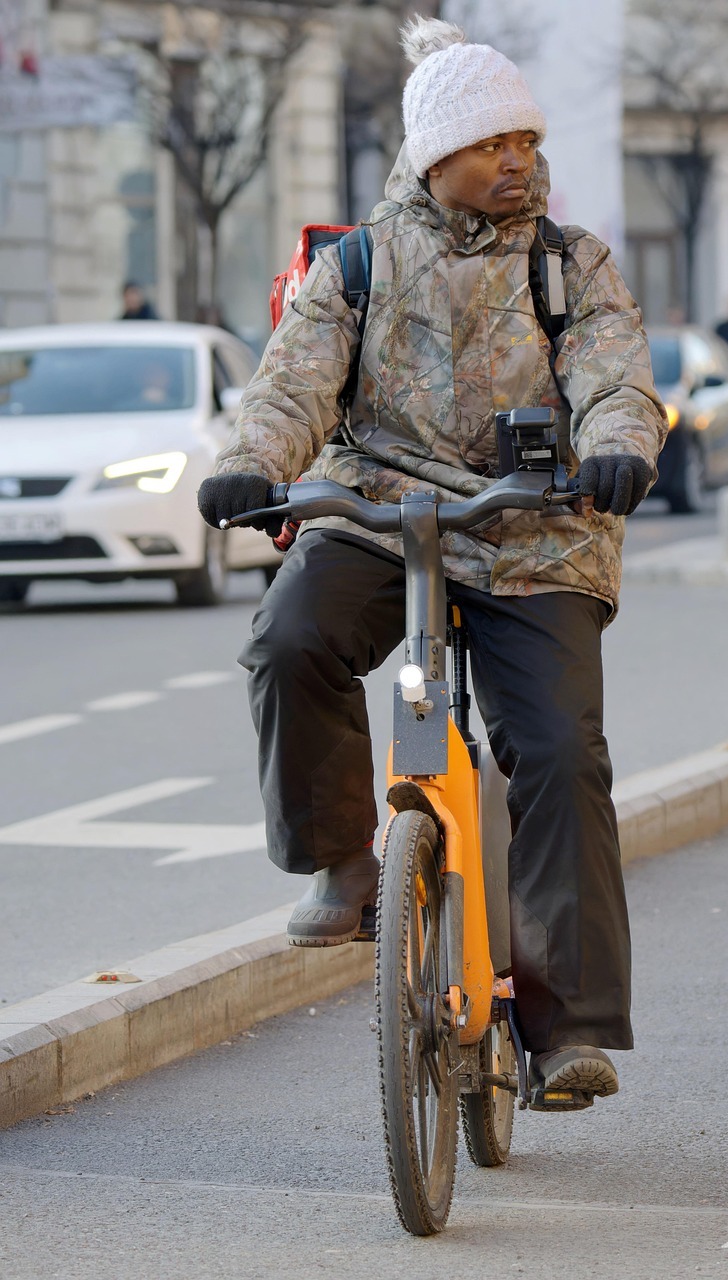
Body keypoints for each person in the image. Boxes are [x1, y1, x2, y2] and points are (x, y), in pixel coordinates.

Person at [197, 16, 667, 1102]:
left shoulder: (571, 262)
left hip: (531, 524)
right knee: (288, 639)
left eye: (525, 140)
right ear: (433, 155)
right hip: (379, 508)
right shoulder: (356, 265)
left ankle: (569, 1028)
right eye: (491, 142)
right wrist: (249, 463)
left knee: (559, 750)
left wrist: (616, 446)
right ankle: (343, 863)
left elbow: (613, 374)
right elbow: (292, 383)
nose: (517, 160)